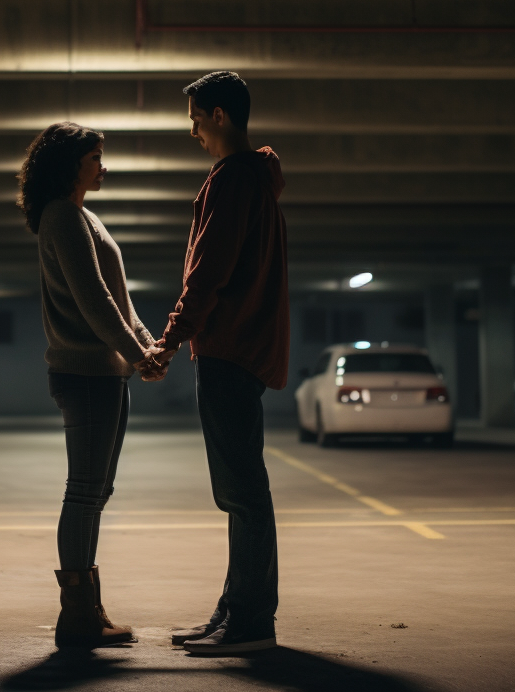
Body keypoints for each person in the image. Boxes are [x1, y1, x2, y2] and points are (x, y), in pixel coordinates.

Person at [145, 71, 289, 655]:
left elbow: (207, 273)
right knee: (238, 490)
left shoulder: (233, 181)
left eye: (197, 120)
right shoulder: (255, 179)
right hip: (243, 349)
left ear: (221, 115)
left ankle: (251, 621)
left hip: (230, 349)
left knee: (243, 490)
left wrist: (171, 339)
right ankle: (235, 609)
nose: (194, 132)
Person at [17, 121, 167, 650]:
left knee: (96, 491)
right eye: (96, 157)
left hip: (104, 372)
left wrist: (148, 348)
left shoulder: (83, 216)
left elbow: (119, 302)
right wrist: (137, 353)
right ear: (70, 164)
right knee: (83, 492)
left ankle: (89, 609)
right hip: (84, 373)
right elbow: (94, 300)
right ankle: (77, 614)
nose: (104, 165)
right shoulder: (61, 217)